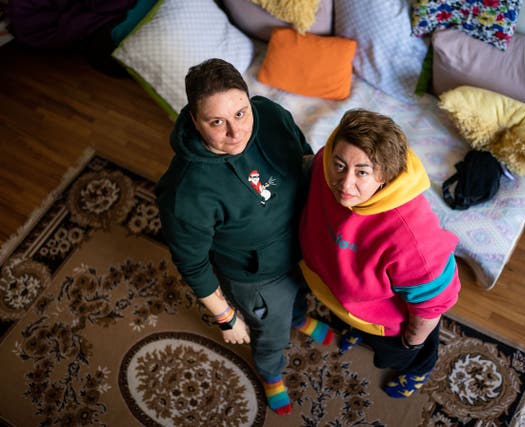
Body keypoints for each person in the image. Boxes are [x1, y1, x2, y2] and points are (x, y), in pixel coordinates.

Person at [155, 58, 333, 415]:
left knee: (302, 290)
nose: (235, 132)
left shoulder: (269, 114)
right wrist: (226, 317)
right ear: (194, 120)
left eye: (240, 113)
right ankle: (270, 374)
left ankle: (299, 317)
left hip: (301, 238)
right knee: (270, 332)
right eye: (216, 122)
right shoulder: (185, 191)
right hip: (258, 276)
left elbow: (302, 154)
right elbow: (191, 262)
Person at [298, 109, 461, 398]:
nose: (345, 184)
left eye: (362, 172)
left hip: (391, 325)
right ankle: (357, 330)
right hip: (344, 300)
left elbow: (429, 309)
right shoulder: (326, 164)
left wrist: (411, 343)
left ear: (385, 175)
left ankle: (418, 371)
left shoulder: (414, 240)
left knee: (402, 355)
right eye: (340, 165)